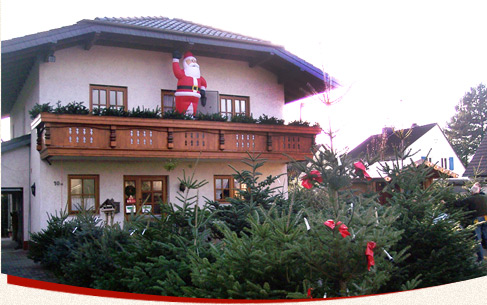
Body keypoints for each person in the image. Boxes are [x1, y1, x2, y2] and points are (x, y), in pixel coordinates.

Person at [453, 182, 487, 261]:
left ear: (472, 192)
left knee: (477, 239)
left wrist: (445, 203)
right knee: (486, 236)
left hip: (476, 219)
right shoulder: (485, 197)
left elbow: (458, 204)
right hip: (486, 218)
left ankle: (480, 258)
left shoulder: (470, 199)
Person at [172, 51, 207, 115]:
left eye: (194, 61)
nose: (193, 62)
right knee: (182, 110)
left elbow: (204, 83)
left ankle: (192, 117)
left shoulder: (199, 77)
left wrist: (203, 91)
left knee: (193, 110)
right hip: (183, 95)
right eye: (191, 61)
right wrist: (175, 59)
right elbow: (177, 72)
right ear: (185, 63)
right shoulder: (183, 73)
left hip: (195, 97)